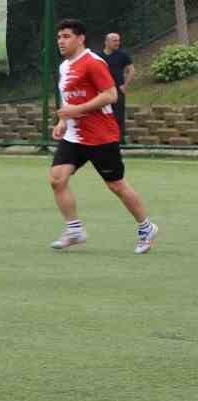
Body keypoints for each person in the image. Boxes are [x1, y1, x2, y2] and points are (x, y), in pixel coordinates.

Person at [49, 19, 158, 254]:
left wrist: (75, 112)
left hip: (101, 136)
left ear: (81, 39)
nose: (61, 41)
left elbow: (110, 95)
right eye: (59, 37)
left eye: (66, 36)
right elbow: (69, 100)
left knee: (116, 186)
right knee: (57, 179)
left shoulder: (93, 63)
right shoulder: (65, 67)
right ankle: (74, 230)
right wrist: (62, 121)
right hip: (75, 136)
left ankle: (146, 228)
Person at [101, 31, 135, 142]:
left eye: (118, 40)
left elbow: (131, 70)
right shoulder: (98, 56)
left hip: (117, 90)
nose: (117, 43)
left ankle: (118, 140)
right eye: (114, 40)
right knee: (102, 114)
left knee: (118, 115)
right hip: (102, 91)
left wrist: (125, 86)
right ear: (106, 42)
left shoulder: (122, 55)